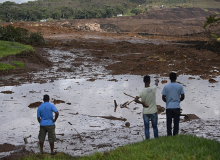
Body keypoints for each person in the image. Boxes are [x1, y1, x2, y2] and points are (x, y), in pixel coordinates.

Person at [134, 75, 159, 139]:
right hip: (153, 111)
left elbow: (136, 100)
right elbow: (156, 84)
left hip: (146, 112)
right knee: (155, 127)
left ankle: (147, 141)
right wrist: (156, 81)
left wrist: (142, 103)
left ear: (143, 81)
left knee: (146, 127)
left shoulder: (141, 91)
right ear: (150, 81)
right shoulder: (153, 88)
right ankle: (157, 140)